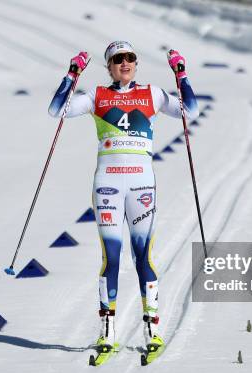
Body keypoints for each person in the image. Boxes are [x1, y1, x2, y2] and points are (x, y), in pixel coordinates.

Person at [48, 40, 199, 353]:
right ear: (109, 66)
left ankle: (152, 332)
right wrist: (72, 73)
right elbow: (57, 110)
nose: (125, 63)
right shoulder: (97, 96)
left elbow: (191, 111)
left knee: (143, 255)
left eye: (130, 58)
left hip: (141, 186)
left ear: (136, 62)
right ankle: (107, 332)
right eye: (118, 59)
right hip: (107, 185)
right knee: (111, 257)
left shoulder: (152, 94)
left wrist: (181, 73)